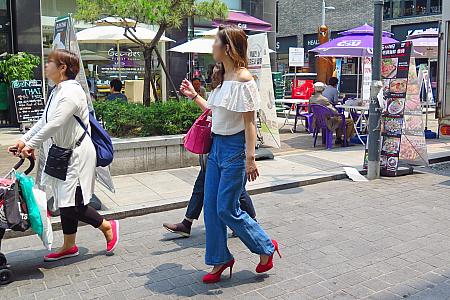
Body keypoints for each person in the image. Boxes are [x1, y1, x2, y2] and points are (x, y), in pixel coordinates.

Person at [179, 25, 280, 284]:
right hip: (216, 148)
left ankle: (266, 246)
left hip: (235, 150)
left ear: (227, 48)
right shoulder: (222, 79)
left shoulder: (245, 80)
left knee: (226, 208)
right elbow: (216, 111)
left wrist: (250, 158)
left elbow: (249, 122)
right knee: (211, 209)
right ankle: (220, 259)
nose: (212, 46)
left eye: (215, 42)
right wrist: (194, 97)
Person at [8, 49, 119, 261]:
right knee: (63, 199)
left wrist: (30, 144)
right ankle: (69, 245)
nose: (46, 66)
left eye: (50, 62)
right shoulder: (57, 91)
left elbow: (56, 123)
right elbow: (44, 121)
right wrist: (24, 141)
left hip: (77, 154)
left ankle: (107, 226)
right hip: (61, 153)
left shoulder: (72, 92)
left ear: (63, 68)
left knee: (73, 203)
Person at [163, 155, 257, 237]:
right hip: (213, 153)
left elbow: (249, 135)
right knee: (200, 187)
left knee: (238, 191)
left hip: (231, 154)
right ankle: (187, 223)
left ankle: (252, 223)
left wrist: (250, 159)